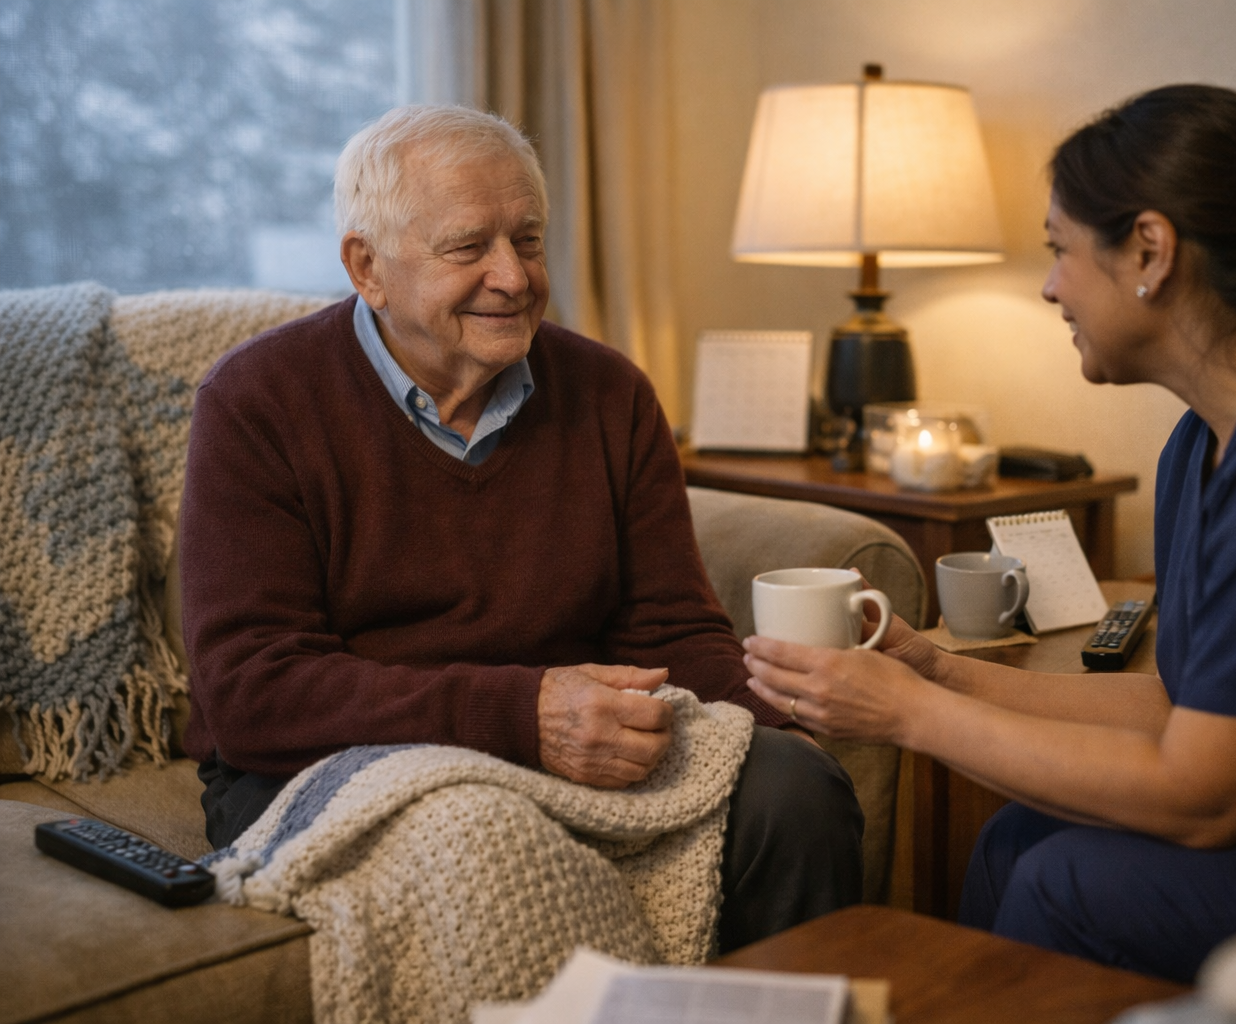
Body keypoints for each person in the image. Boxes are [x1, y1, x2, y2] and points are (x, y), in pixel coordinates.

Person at [742, 84, 1236, 982]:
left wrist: (907, 714)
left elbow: (1206, 799)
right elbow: (1185, 709)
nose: (1049, 285)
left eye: (1060, 252)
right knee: (1015, 842)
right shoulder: (1206, 438)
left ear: (1150, 252)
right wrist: (935, 670)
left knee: (1071, 883)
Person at [178, 104, 862, 952]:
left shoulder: (611, 393)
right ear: (368, 267)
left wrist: (790, 717)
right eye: (469, 248)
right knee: (488, 840)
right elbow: (253, 690)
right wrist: (520, 713)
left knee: (795, 783)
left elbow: (672, 630)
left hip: (555, 743)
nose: (514, 276)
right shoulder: (257, 402)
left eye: (529, 241)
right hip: (315, 765)